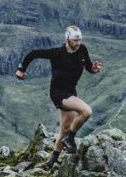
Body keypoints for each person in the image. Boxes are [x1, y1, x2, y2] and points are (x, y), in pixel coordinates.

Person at [15, 25, 101, 168]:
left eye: (79, 40)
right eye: (75, 40)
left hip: (71, 92)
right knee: (86, 111)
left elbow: (88, 66)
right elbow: (33, 53)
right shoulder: (57, 53)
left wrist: (93, 69)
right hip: (58, 93)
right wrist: (21, 69)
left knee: (64, 128)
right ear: (68, 39)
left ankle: (52, 161)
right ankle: (70, 139)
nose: (78, 43)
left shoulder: (82, 50)